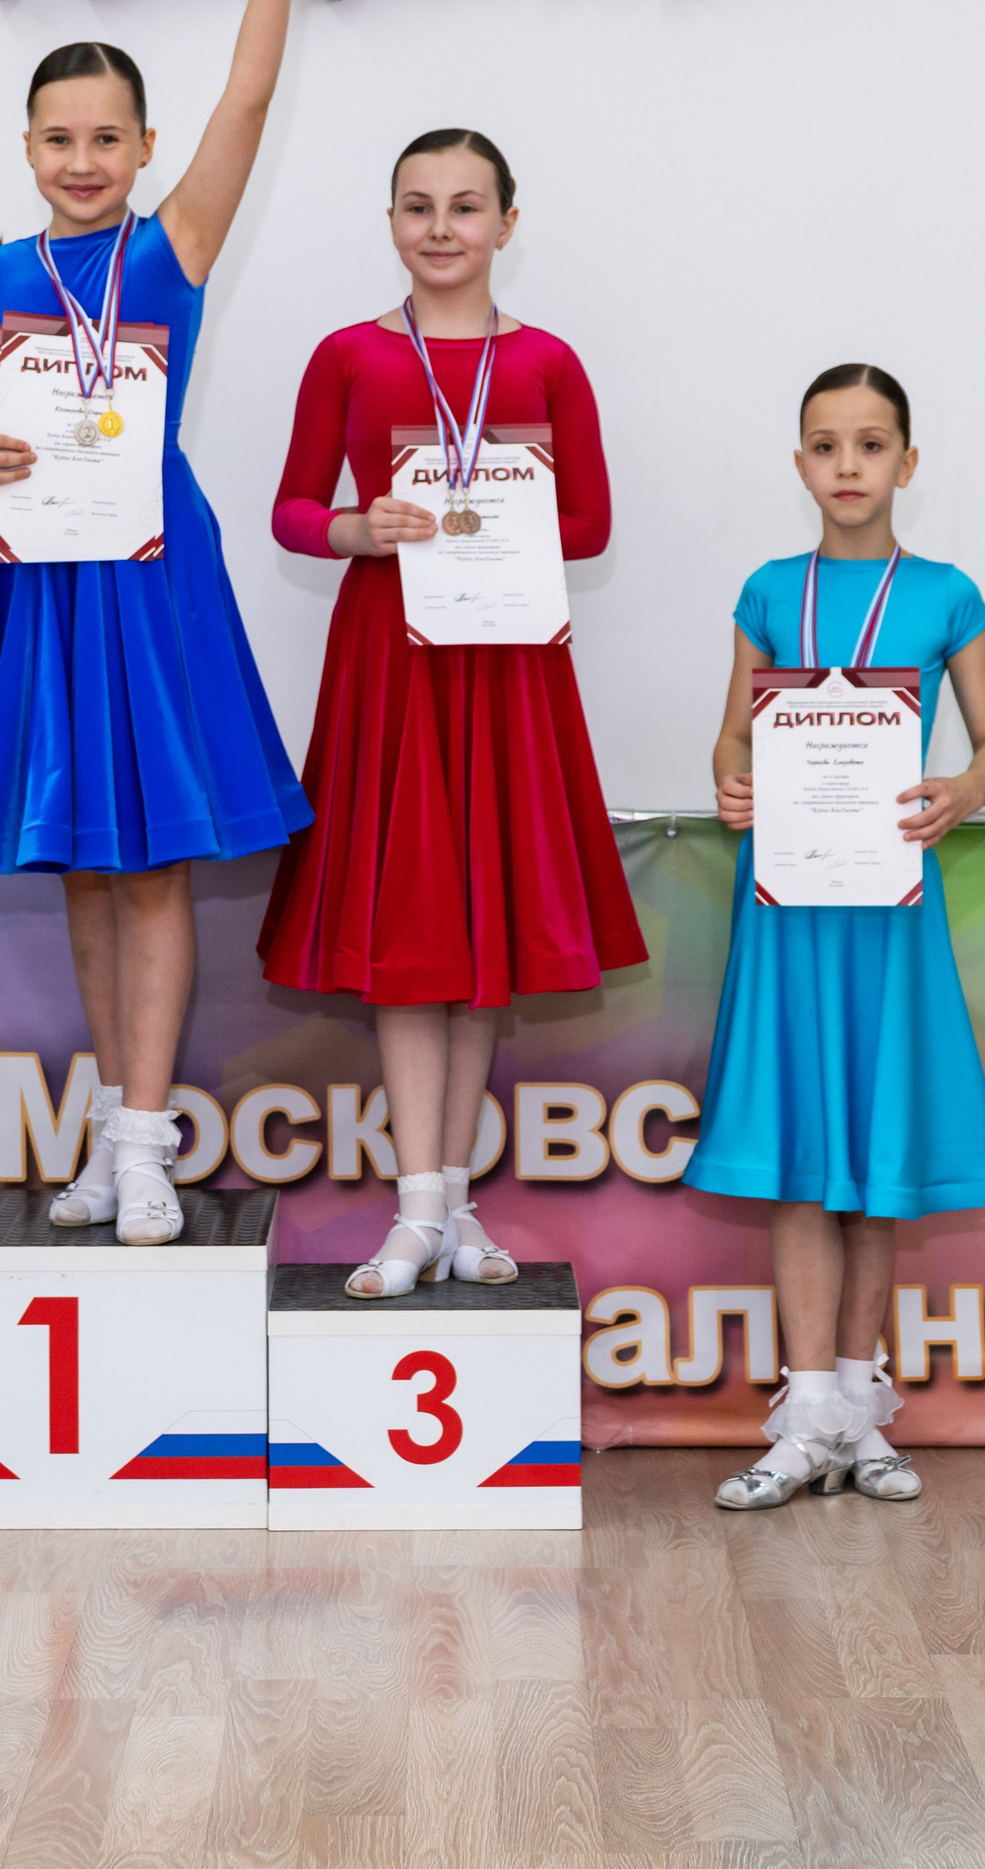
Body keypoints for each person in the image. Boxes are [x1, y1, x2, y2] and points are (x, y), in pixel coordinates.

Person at [0, 0, 318, 1244]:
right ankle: (111, 1139)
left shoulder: (171, 248)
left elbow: (249, 96)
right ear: (27, 150)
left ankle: (146, 1150)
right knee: (82, 861)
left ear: (143, 149)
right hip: (44, 589)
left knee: (151, 867)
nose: (82, 162)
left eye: (106, 139)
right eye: (58, 139)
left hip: (151, 585)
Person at [257, 129, 645, 1295]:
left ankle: (454, 1205)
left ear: (506, 226)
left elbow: (591, 526)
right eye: (417, 206)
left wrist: (505, 518)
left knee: (483, 934)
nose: (440, 228)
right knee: (410, 932)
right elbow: (290, 508)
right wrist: (357, 528)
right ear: (390, 224)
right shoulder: (346, 356)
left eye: (466, 206)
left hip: (507, 663)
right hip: (394, 661)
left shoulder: (550, 363)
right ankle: (416, 1208)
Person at [693, 362, 985, 1508]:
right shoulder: (768, 590)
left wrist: (959, 794)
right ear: (800, 465)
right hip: (787, 904)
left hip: (889, 905)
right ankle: (804, 1422)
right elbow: (733, 737)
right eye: (826, 446)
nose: (848, 466)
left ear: (907, 464)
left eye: (870, 446)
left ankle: (861, 1418)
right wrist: (732, 784)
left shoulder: (946, 594)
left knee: (875, 1165)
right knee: (800, 1151)